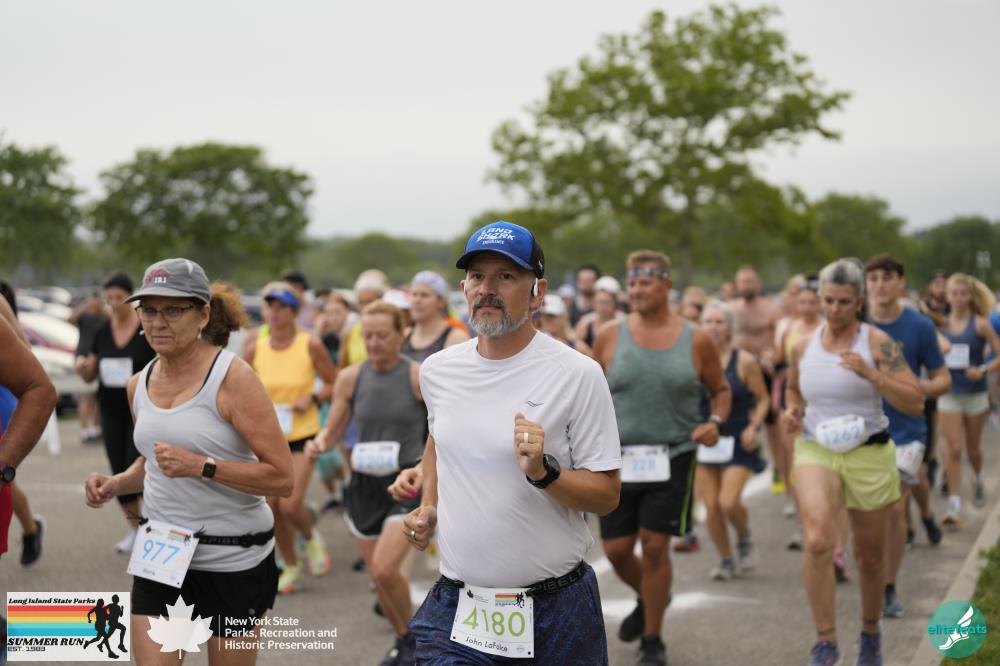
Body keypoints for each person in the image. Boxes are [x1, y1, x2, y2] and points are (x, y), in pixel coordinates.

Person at [403, 221, 622, 665]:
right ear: (464, 288)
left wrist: (544, 471)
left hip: (556, 607)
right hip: (460, 605)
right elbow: (439, 440)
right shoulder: (438, 371)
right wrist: (429, 506)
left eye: (505, 276)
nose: (488, 289)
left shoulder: (578, 374)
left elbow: (606, 496)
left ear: (537, 293)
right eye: (478, 276)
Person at [84, 257, 293, 666]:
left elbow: (282, 478)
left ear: (203, 314)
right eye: (148, 310)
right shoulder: (137, 384)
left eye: (173, 310)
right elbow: (154, 463)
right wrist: (115, 483)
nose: (157, 322)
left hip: (233, 558)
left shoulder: (233, 378)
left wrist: (203, 466)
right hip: (162, 553)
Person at [782, 258, 923, 666]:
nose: (834, 309)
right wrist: (793, 410)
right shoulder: (801, 344)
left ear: (859, 302)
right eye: (828, 300)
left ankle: (870, 633)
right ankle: (826, 643)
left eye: (844, 302)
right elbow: (793, 389)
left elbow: (915, 401)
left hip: (869, 451)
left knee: (869, 556)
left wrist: (873, 375)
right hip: (816, 448)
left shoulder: (878, 343)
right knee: (818, 540)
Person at [593, 250, 730, 666]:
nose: (635, 290)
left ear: (666, 285)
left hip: (674, 454)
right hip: (616, 458)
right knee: (617, 550)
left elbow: (721, 390)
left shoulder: (697, 338)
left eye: (645, 282)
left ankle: (653, 640)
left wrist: (715, 421)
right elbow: (589, 393)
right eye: (631, 282)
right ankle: (653, 595)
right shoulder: (609, 335)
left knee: (654, 547)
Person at [306, 300, 426, 665]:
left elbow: (441, 430)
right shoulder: (351, 377)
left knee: (386, 569)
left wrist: (427, 466)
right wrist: (320, 442)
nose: (373, 343)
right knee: (379, 578)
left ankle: (414, 642)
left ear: (401, 334)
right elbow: (334, 428)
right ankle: (404, 641)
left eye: (382, 336)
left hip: (405, 482)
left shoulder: (417, 376)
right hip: (364, 485)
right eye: (367, 336)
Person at [864, 253, 951, 620]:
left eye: (888, 278)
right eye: (873, 279)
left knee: (895, 509)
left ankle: (888, 586)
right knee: (868, 514)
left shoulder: (919, 326)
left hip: (907, 432)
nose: (880, 285)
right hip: (862, 431)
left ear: (900, 283)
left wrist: (919, 388)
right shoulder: (856, 325)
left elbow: (943, 377)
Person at [244, 282, 336, 593]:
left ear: (295, 312)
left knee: (291, 504)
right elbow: (241, 387)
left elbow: (333, 382)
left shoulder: (309, 344)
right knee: (271, 507)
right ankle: (290, 565)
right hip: (269, 436)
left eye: (282, 306)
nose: (275, 312)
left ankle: (310, 538)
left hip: (303, 433)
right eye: (270, 306)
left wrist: (312, 398)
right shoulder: (255, 346)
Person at [74, 272, 156, 553]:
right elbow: (91, 373)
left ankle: (153, 527)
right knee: (117, 471)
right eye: (109, 298)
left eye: (119, 297)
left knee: (138, 471)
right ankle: (136, 529)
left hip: (142, 413)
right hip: (110, 410)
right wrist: (84, 369)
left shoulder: (146, 329)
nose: (114, 303)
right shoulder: (101, 331)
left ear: (131, 298)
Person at [695, 301, 769, 581]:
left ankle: (744, 535)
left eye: (719, 322)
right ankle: (726, 559)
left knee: (728, 502)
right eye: (708, 322)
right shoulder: (693, 360)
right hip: (704, 440)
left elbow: (763, 400)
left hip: (738, 439)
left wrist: (754, 427)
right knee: (711, 507)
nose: (713, 327)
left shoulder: (745, 361)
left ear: (730, 328)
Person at [937, 273, 1000, 525]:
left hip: (975, 394)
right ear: (947, 296)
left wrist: (982, 370)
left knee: (973, 449)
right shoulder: (941, 326)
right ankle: (954, 505)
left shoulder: (981, 324)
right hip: (949, 394)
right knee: (953, 449)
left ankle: (978, 475)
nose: (959, 298)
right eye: (954, 294)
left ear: (970, 296)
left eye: (964, 294)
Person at [731, 266, 785, 495]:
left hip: (764, 370)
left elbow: (781, 341)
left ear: (758, 283)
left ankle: (779, 468)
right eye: (742, 281)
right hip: (740, 371)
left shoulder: (771, 310)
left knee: (773, 425)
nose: (746, 285)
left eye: (750, 281)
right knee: (739, 420)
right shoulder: (731, 309)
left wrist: (773, 356)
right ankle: (742, 463)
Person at [403, 271, 469, 363]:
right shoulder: (404, 335)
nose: (417, 300)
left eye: (424, 295)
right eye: (414, 294)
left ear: (441, 302)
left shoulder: (456, 338)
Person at [69, 289, 108, 442]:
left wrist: (102, 307)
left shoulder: (103, 317)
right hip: (83, 358)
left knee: (98, 396)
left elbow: (112, 317)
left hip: (100, 357)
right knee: (85, 395)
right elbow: (70, 319)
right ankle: (85, 429)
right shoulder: (84, 316)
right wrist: (85, 306)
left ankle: (97, 428)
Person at [574, 276, 624, 349]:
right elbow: (576, 342)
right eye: (600, 302)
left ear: (615, 303)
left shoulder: (623, 321)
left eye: (607, 303)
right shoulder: (586, 322)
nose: (603, 307)